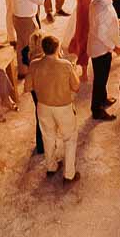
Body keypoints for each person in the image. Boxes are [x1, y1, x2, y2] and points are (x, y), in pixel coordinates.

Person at [24, 35, 80, 182]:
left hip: (43, 107)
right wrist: (73, 69)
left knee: (48, 137)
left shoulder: (34, 64)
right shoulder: (65, 65)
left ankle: (51, 167)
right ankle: (69, 174)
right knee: (69, 139)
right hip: (63, 108)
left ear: (43, 48)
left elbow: (27, 87)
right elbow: (76, 86)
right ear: (57, 48)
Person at [87, 0, 120, 120]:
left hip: (99, 47)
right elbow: (101, 33)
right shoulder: (102, 9)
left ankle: (103, 99)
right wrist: (115, 48)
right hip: (101, 50)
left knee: (102, 77)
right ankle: (96, 110)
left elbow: (102, 22)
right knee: (100, 80)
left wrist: (117, 21)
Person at [11, 0, 47, 78]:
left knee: (21, 45)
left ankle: (23, 70)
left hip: (17, 17)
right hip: (26, 20)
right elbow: (40, 0)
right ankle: (33, 72)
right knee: (31, 46)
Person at [64, 0, 99, 73]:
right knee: (89, 38)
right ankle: (86, 68)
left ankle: (82, 69)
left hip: (81, 13)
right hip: (93, 13)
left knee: (80, 37)